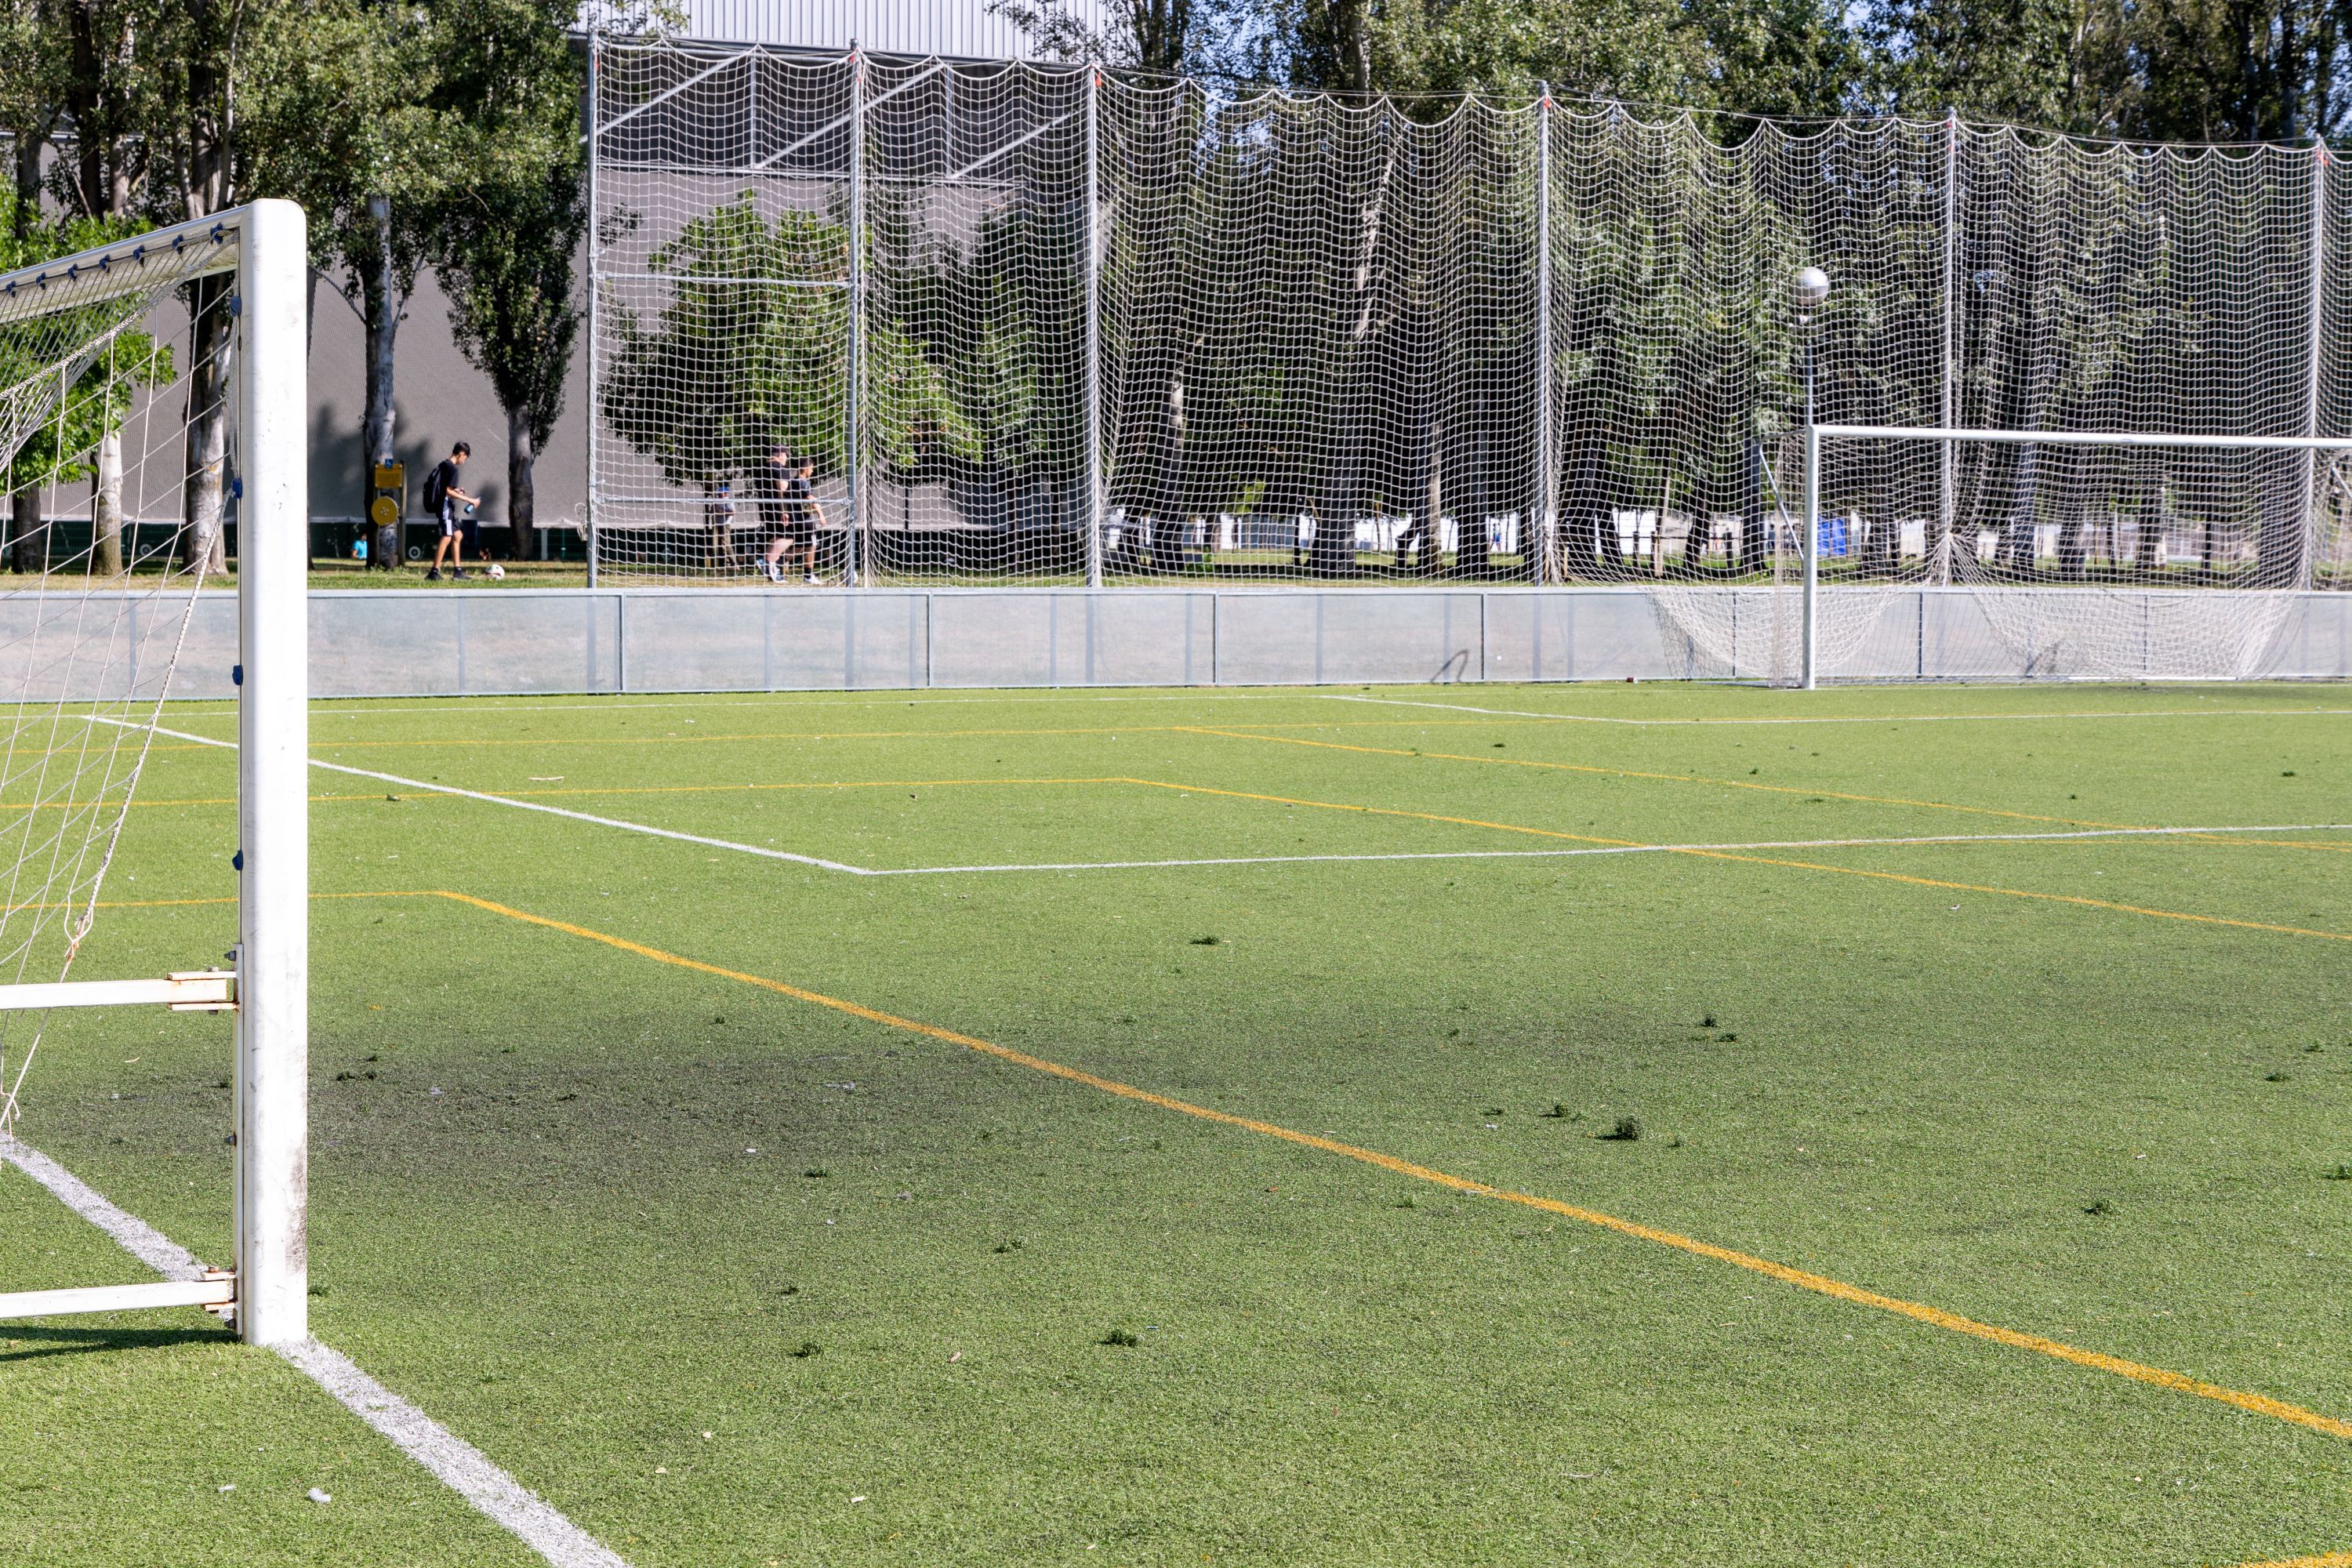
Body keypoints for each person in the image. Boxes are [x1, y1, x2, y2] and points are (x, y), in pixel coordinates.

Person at [762, 450, 826, 585]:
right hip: (806, 522)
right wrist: (820, 514)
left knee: (799, 547)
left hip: (795, 520)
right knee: (811, 546)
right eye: (812, 468)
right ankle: (808, 576)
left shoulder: (792, 482)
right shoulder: (803, 482)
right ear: (806, 468)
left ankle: (777, 564)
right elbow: (810, 498)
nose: (813, 471)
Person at [425, 441, 479, 582]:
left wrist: (456, 490)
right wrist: (469, 500)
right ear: (461, 454)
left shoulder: (444, 464)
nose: (464, 461)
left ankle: (458, 571)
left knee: (458, 536)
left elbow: (445, 487)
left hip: (443, 505)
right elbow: (448, 491)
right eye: (465, 458)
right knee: (447, 537)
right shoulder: (453, 469)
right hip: (445, 507)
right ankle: (434, 572)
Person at [704, 477, 739, 572]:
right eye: (719, 492)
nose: (719, 494)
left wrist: (722, 512)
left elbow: (733, 512)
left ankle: (734, 563)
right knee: (721, 545)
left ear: (726, 493)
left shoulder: (727, 501)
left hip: (725, 524)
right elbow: (713, 511)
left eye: (721, 492)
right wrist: (712, 510)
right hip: (718, 524)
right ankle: (726, 563)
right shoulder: (717, 500)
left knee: (726, 544)